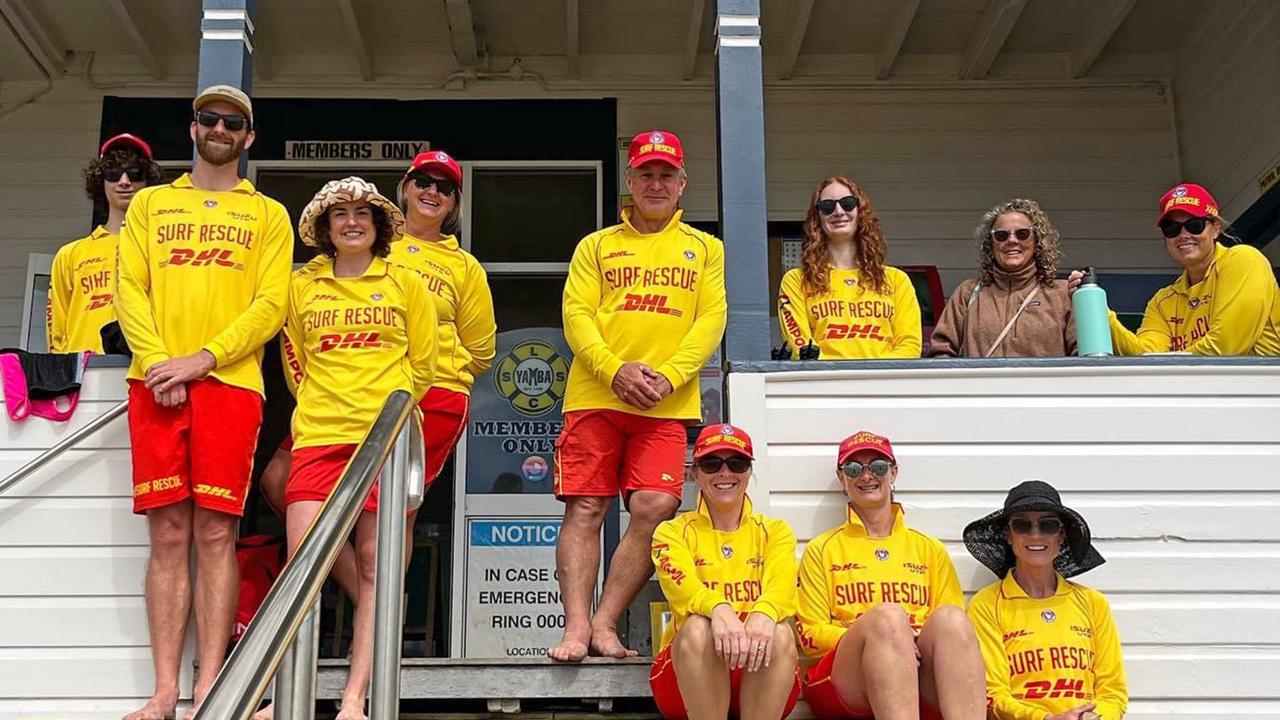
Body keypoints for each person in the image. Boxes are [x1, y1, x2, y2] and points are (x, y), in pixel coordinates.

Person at [114, 85, 293, 720]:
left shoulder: (268, 213)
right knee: (167, 532)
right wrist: (162, 358)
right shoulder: (152, 205)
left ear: (250, 137)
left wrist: (203, 359)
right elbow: (126, 286)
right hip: (154, 380)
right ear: (193, 129)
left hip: (230, 385)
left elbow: (270, 306)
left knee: (217, 532)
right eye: (209, 118)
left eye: (233, 122)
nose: (220, 128)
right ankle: (164, 692)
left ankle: (212, 687)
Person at [550, 130, 727, 661]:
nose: (656, 183)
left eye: (665, 175)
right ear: (629, 181)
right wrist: (613, 370)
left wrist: (670, 376)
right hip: (596, 396)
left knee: (655, 505)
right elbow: (576, 315)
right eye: (645, 174)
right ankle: (577, 629)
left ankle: (606, 623)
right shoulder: (597, 246)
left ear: (682, 184)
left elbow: (710, 319)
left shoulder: (705, 250)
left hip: (665, 403)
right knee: (586, 507)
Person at [267, 176, 437, 720]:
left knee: (374, 568)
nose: (352, 221)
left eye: (363, 213)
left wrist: (386, 410)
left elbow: (424, 364)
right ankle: (283, 695)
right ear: (325, 226)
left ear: (380, 224)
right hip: (318, 435)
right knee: (301, 567)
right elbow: (294, 359)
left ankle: (355, 699)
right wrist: (323, 400)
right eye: (339, 213)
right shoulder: (301, 286)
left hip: (381, 440)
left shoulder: (406, 282)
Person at [797, 431, 985, 720]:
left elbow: (952, 634)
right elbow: (810, 635)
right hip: (845, 680)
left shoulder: (928, 549)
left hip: (919, 669)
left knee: (952, 619)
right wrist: (884, 636)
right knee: (888, 618)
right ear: (842, 478)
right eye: (854, 468)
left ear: (894, 472)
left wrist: (909, 641)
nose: (867, 476)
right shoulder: (822, 549)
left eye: (879, 467)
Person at [650, 424, 800, 720]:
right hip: (688, 674)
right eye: (711, 463)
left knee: (780, 632)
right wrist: (719, 609)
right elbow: (683, 588)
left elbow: (782, 586)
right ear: (695, 473)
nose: (725, 473)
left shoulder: (775, 531)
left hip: (758, 667)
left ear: (749, 471)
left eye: (737, 463)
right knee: (696, 627)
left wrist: (765, 611)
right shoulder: (671, 532)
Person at [964, 480, 1127, 719]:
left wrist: (1091, 718)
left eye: (1048, 525)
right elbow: (993, 696)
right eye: (1022, 525)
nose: (1036, 534)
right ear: (1008, 535)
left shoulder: (1093, 603)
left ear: (1061, 535)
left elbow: (1113, 692)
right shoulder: (986, 605)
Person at [1068, 182, 1280, 355]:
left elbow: (1225, 348)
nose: (1183, 235)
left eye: (1194, 225)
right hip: (1203, 396)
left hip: (1262, 397)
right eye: (1172, 229)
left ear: (1215, 229)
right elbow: (1144, 357)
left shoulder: (1243, 260)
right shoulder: (1163, 301)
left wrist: (1170, 362)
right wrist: (1099, 312)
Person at [777, 178, 921, 359]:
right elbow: (801, 347)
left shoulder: (896, 280)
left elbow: (910, 345)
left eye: (847, 204)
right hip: (823, 385)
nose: (838, 211)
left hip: (884, 385)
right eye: (827, 206)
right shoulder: (796, 280)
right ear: (817, 217)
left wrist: (877, 378)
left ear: (860, 211)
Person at [47, 134, 162, 353]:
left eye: (135, 173)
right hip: (87, 373)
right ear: (101, 180)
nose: (124, 181)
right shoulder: (71, 255)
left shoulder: (163, 249)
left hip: (148, 371)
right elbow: (57, 333)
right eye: (113, 173)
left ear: (148, 180)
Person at [929, 199, 1076, 357]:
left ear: (1037, 241)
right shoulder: (968, 293)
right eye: (1001, 235)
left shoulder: (1063, 294)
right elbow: (940, 353)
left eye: (1022, 234)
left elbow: (1086, 359)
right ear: (990, 245)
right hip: (981, 383)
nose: (1012, 241)